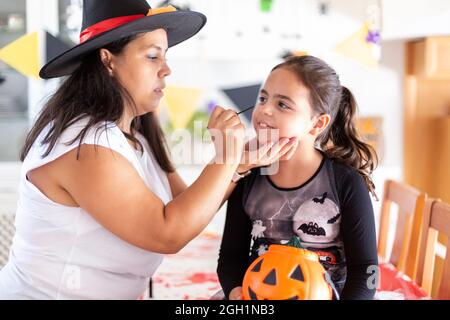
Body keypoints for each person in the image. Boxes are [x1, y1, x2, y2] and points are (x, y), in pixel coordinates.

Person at [0, 0, 296, 299]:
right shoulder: (85, 146)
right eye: (153, 56)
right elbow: (167, 233)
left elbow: (185, 204)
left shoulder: (136, 134)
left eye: (165, 56)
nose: (166, 70)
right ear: (108, 60)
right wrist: (226, 158)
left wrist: (238, 165)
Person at [217, 55, 379, 300]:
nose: (264, 110)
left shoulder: (346, 182)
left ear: (317, 124)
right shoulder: (247, 175)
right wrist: (235, 291)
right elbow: (230, 257)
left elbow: (366, 269)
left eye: (283, 104)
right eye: (263, 98)